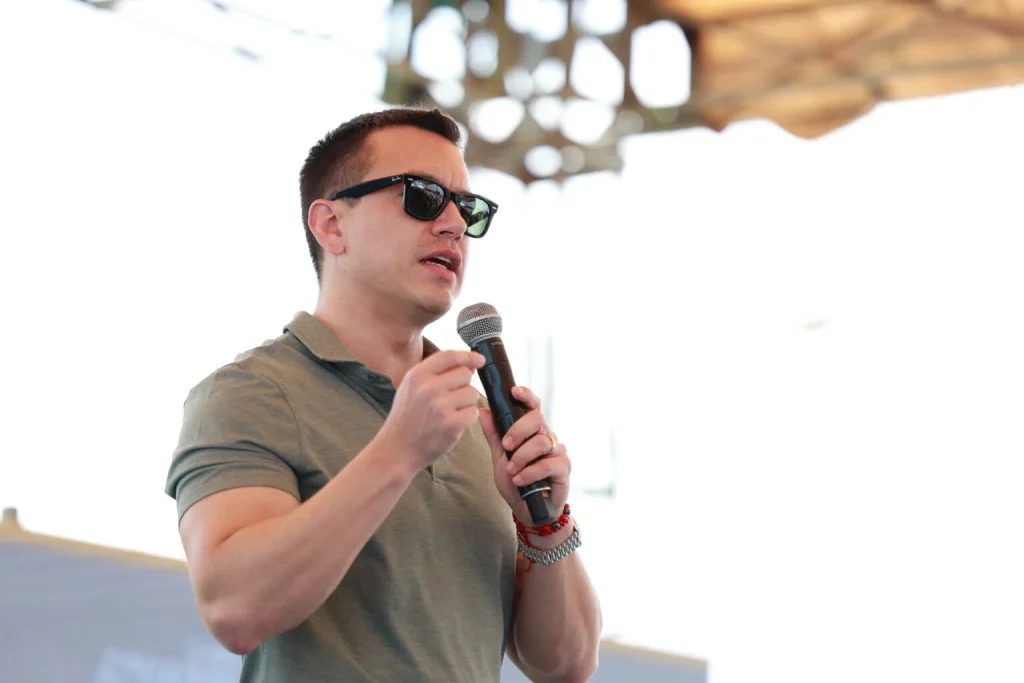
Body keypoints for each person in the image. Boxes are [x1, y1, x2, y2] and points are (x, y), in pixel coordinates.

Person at [165, 107, 602, 683]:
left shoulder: (477, 418)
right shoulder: (252, 392)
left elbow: (568, 665)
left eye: (466, 208)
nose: (453, 224)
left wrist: (544, 524)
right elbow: (236, 609)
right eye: (423, 196)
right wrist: (399, 451)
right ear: (331, 226)